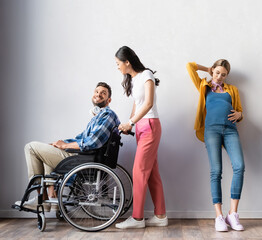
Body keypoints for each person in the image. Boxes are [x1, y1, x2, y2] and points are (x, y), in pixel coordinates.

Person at [15, 82, 120, 211]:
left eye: (103, 93)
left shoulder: (107, 115)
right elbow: (80, 138)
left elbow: (92, 142)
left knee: (30, 147)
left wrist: (65, 145)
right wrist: (59, 144)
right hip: (84, 156)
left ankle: (41, 199)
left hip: (84, 158)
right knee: (51, 151)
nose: (98, 94)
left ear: (108, 100)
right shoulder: (97, 118)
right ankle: (51, 199)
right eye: (96, 91)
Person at [186, 60, 245, 232]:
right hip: (211, 131)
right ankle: (219, 216)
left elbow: (239, 111)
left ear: (227, 76)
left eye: (223, 74)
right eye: (217, 72)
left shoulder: (232, 90)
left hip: (230, 130)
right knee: (216, 171)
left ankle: (232, 214)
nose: (219, 77)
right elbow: (190, 66)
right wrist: (208, 70)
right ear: (213, 72)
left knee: (239, 166)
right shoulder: (203, 85)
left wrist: (240, 114)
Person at [114, 46, 167, 229]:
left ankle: (137, 219)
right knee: (151, 172)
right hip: (142, 128)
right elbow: (138, 105)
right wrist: (129, 123)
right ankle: (160, 216)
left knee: (139, 172)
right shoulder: (134, 79)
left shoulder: (146, 75)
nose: (118, 67)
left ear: (127, 62)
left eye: (118, 63)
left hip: (151, 126)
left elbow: (149, 103)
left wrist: (131, 122)